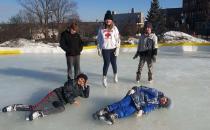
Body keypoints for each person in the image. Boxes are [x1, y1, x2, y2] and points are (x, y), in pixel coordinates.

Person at [2, 74, 90, 121]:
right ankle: (15, 107)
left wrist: (87, 87)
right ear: (78, 78)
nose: (81, 80)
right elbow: (66, 92)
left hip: (61, 101)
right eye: (81, 78)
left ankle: (41, 113)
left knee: (61, 109)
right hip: (55, 95)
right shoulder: (71, 82)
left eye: (83, 80)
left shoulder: (80, 89)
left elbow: (86, 96)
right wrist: (72, 101)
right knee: (35, 108)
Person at [93, 86, 171, 125]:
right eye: (166, 99)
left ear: (163, 104)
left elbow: (148, 108)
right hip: (133, 96)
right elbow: (143, 88)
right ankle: (105, 110)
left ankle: (112, 115)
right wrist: (134, 89)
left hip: (137, 106)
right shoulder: (155, 93)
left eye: (165, 102)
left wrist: (142, 111)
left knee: (126, 112)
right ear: (165, 97)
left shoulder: (155, 105)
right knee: (122, 104)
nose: (164, 100)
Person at [97, 10, 121, 87]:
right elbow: (99, 39)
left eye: (109, 19)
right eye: (107, 19)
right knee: (106, 63)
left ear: (111, 20)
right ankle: (104, 78)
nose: (108, 21)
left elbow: (118, 39)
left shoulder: (115, 28)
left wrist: (117, 49)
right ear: (105, 20)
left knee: (114, 63)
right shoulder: (101, 28)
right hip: (105, 49)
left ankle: (115, 75)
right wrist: (99, 48)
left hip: (113, 48)